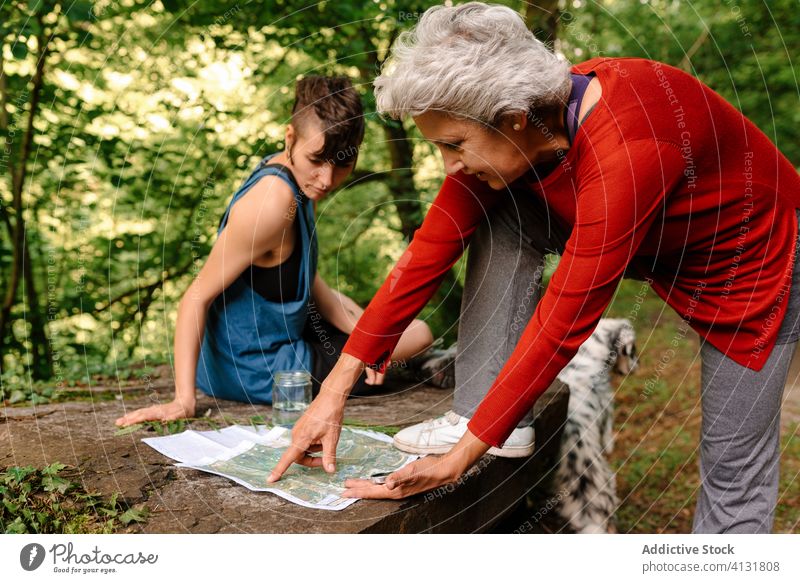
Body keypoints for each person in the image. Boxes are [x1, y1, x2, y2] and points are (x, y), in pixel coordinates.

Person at [267, 4, 800, 534]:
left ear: (514, 119)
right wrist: (331, 393)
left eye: (453, 145)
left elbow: (563, 319)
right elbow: (428, 251)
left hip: (753, 268)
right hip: (664, 247)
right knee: (499, 208)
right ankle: (483, 415)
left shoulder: (629, 150)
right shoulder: (519, 126)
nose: (449, 165)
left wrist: (459, 461)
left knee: (733, 472)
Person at [115, 76, 433, 428]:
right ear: (289, 138)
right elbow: (195, 297)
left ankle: (388, 357)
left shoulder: (299, 181)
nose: (326, 179)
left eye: (341, 163)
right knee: (418, 335)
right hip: (261, 371)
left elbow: (305, 282)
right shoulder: (270, 204)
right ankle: (405, 364)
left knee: (395, 333)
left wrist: (365, 336)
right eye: (317, 159)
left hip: (282, 341)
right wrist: (183, 400)